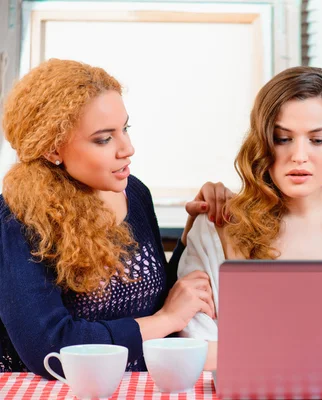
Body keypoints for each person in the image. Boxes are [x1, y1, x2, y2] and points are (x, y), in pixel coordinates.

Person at [177, 66, 322, 369]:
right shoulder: (218, 227)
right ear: (262, 142)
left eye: (317, 140)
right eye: (282, 138)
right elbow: (195, 349)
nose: (299, 156)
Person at [0, 59, 213, 378]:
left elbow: (148, 295)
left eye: (125, 128)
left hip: (133, 384)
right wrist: (167, 321)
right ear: (52, 148)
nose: (128, 148)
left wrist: (190, 236)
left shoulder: (135, 193)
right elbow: (50, 348)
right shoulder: (20, 218)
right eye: (103, 139)